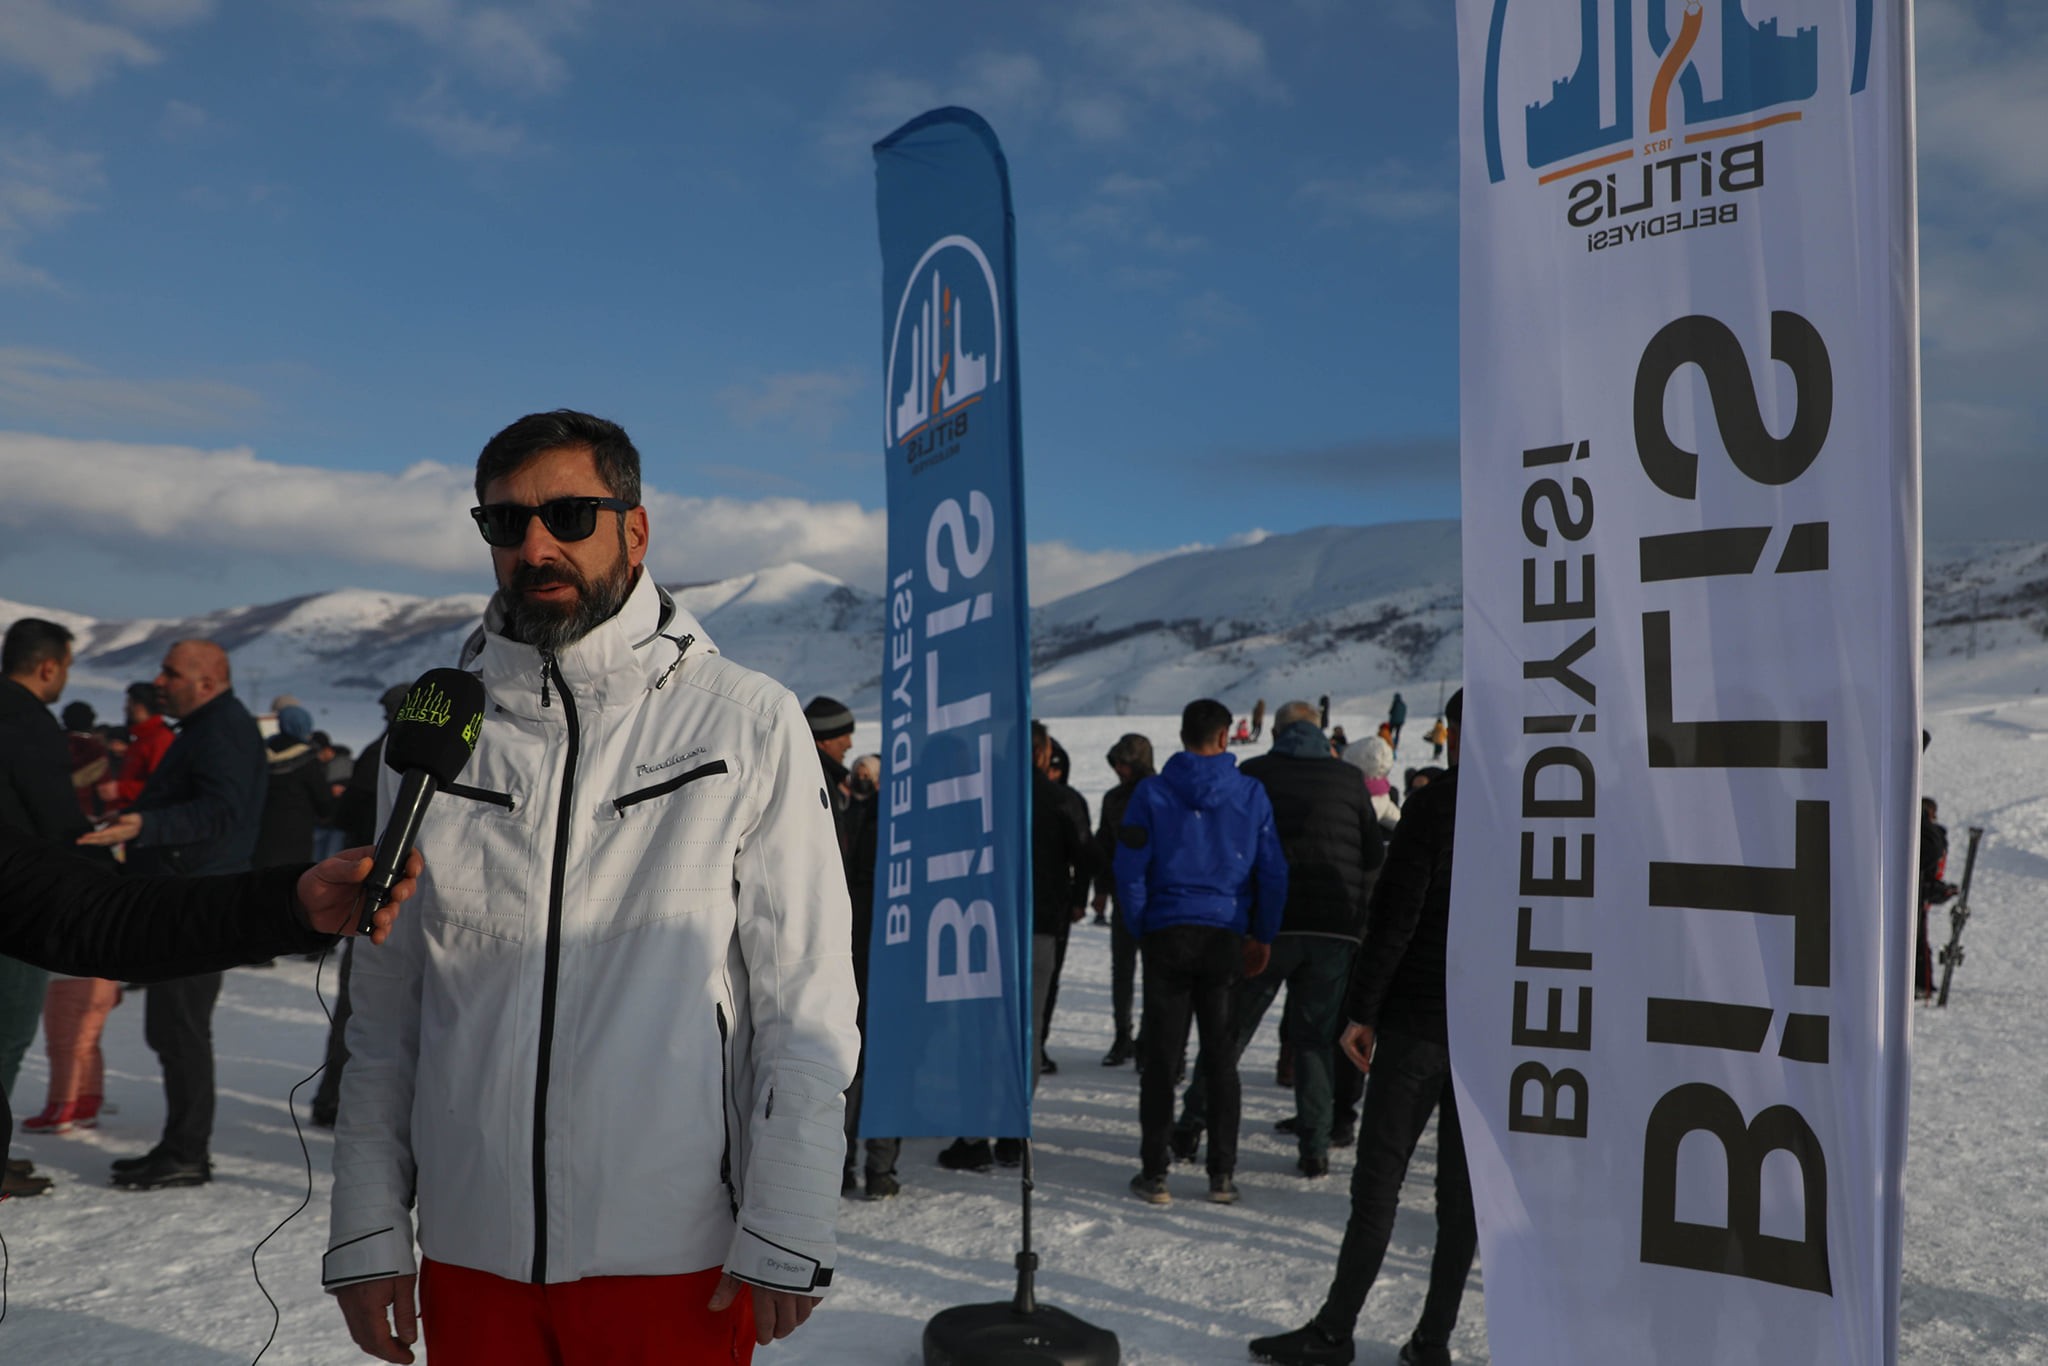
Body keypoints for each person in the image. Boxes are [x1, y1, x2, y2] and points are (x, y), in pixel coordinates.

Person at [325, 409, 857, 1365]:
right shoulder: (433, 733)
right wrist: (368, 1225)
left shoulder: (744, 722)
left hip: (673, 1256)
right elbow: (387, 1006)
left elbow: (805, 995)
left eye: (570, 515)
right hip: (470, 1253)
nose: (536, 546)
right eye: (504, 523)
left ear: (635, 528)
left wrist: (789, 1214)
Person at [1250, 690, 1474, 1366]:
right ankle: (1432, 1341)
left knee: (1378, 1184)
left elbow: (1395, 916)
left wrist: (1363, 1011)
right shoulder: (1545, 805)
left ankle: (1334, 1330)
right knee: (1462, 1199)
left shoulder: (1437, 803)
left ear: (1460, 732)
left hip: (1416, 1022)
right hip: (1495, 1031)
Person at [0, 833, 420, 1154]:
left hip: (201, 886)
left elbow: (94, 916)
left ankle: (184, 1148)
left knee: (174, 1032)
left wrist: (289, 905)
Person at [79, 638, 269, 1191]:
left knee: (181, 1028)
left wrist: (145, 827)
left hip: (197, 903)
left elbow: (221, 811)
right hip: (187, 896)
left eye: (170, 673)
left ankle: (187, 1151)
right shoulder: (210, 727)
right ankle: (180, 1146)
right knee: (172, 1027)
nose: (158, 682)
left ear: (206, 682)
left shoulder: (223, 730)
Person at [1175, 702, 1385, 1178]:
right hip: (1334, 930)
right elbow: (1373, 858)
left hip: (1266, 926)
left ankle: (1191, 1124)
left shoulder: (1254, 773)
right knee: (1314, 1040)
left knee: (1231, 1032)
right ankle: (1314, 1147)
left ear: (1277, 732)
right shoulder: (1348, 780)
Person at [1114, 698, 1287, 1207]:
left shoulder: (1152, 792)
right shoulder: (1250, 793)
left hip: (1169, 930)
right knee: (1221, 1059)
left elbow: (1129, 868)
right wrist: (1262, 933)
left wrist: (1142, 923)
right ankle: (1222, 1174)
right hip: (1224, 934)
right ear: (1224, 736)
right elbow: (1273, 870)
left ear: (1183, 733)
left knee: (1163, 1059)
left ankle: (1155, 1172)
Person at [0, 618, 98, 1197]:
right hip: (16, 902)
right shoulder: (31, 722)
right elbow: (56, 818)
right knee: (9, 1034)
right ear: (48, 667)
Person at [310, 683, 412, 1130]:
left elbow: (348, 812)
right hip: (377, 892)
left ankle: (339, 1099)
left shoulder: (381, 750)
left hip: (377, 889)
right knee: (366, 1007)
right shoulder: (396, 751)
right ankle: (339, 1101)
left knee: (363, 1007)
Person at [1091, 733, 1154, 1063]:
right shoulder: (1113, 799)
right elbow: (1104, 845)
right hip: (1121, 896)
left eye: (1125, 763)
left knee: (1156, 972)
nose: (1118, 769)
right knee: (1122, 970)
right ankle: (1122, 1036)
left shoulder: (1160, 794)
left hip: (1157, 899)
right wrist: (1100, 889)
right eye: (1116, 762)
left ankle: (1148, 1038)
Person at [255, 704, 339, 869]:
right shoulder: (307, 758)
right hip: (296, 832)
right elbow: (322, 798)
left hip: (262, 829)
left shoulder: (261, 752)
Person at [95, 681, 176, 811]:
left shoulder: (160, 740)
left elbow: (163, 787)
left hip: (146, 820)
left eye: (130, 703)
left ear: (141, 706)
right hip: (131, 815)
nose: (126, 708)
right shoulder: (141, 739)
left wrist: (120, 790)